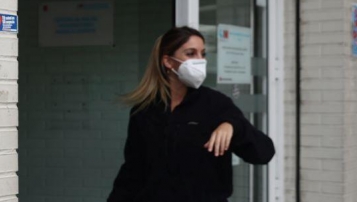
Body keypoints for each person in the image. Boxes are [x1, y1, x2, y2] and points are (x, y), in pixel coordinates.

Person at [107, 26, 275, 202]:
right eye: (190, 53)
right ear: (168, 61)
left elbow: (263, 153)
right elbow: (132, 172)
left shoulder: (215, 104)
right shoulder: (144, 110)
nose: (199, 60)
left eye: (203, 54)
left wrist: (233, 126)